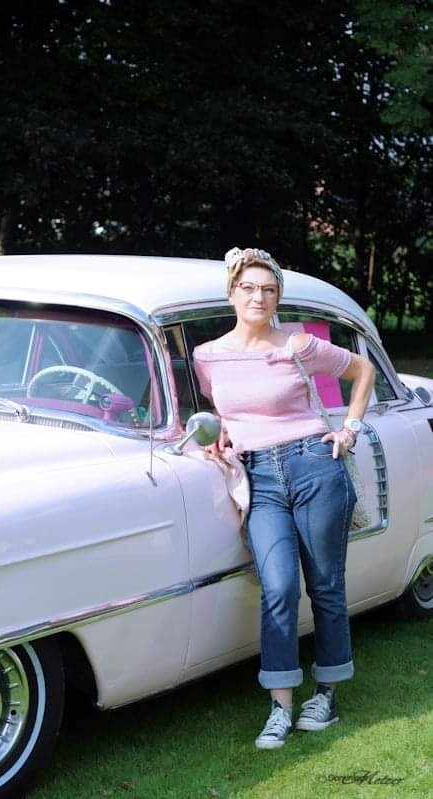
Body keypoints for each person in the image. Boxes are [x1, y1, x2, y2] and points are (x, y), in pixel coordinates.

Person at [193, 246, 375, 750]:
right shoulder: (207, 356)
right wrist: (219, 431)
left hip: (314, 464)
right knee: (278, 586)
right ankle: (279, 708)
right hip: (259, 479)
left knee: (326, 585)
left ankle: (327, 695)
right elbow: (224, 410)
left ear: (278, 297)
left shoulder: (298, 345)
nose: (259, 297)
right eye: (249, 288)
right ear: (232, 293)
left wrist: (350, 430)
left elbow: (362, 371)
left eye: (269, 290)